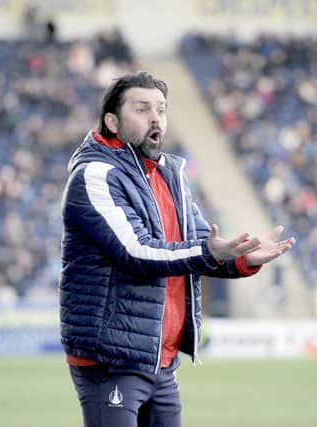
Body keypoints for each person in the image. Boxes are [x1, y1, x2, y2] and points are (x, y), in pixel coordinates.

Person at [59, 71, 296, 427]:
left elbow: (199, 244)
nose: (156, 118)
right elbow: (137, 253)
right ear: (112, 121)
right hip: (112, 360)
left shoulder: (170, 173)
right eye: (142, 109)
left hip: (161, 361)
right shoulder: (95, 175)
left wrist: (242, 258)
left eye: (161, 109)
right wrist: (210, 252)